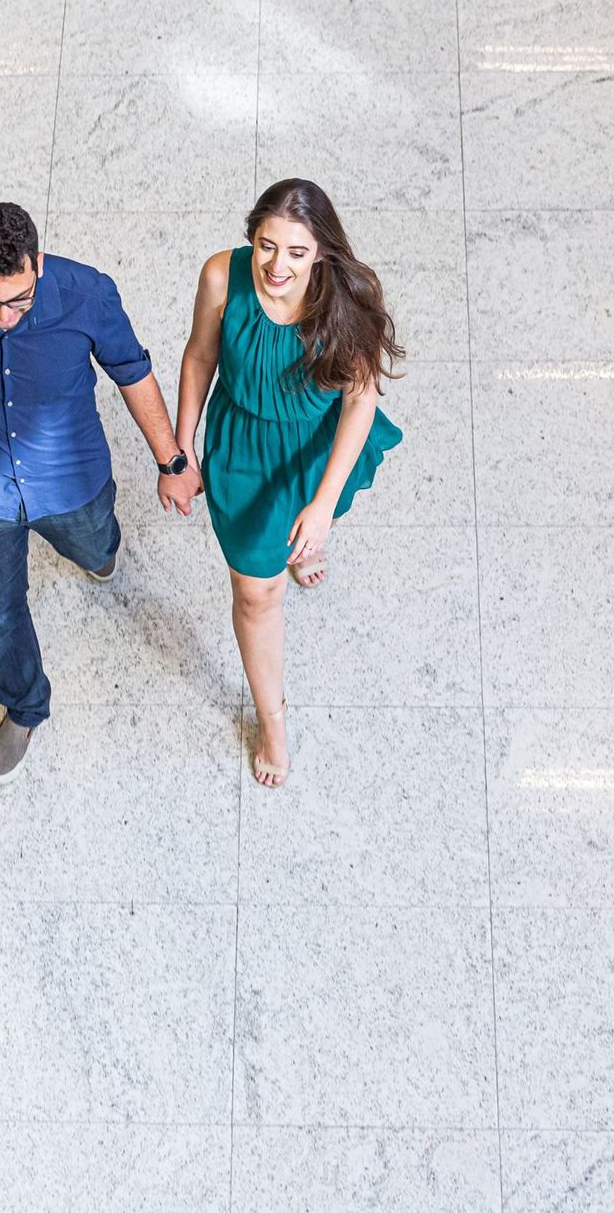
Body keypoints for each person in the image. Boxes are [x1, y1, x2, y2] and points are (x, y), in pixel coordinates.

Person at [0, 203, 202, 784]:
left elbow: (131, 371)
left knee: (95, 547)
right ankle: (23, 707)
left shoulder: (89, 293)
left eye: (19, 300)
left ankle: (100, 551)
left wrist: (173, 460)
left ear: (37, 264)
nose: (4, 316)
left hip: (70, 475)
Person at [171, 179, 405, 787]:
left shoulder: (352, 293)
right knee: (257, 595)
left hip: (315, 445)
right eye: (267, 246)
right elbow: (200, 356)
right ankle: (273, 716)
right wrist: (181, 450)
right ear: (252, 236)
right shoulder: (223, 276)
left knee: (309, 527)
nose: (278, 266)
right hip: (245, 449)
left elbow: (360, 399)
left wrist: (323, 504)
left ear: (322, 251)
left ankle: (308, 542)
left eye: (297, 253)